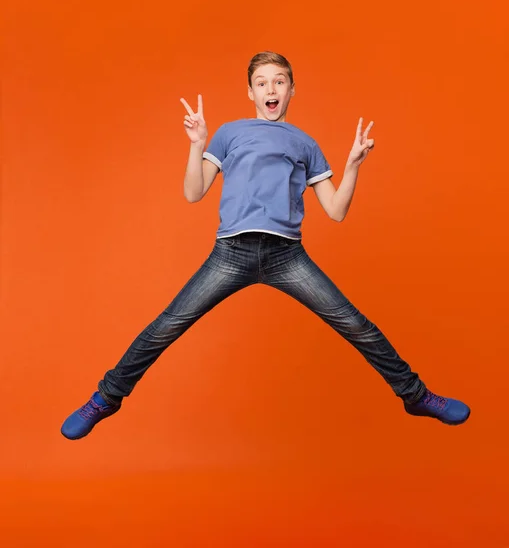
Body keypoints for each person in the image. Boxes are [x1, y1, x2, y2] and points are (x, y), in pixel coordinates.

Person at [61, 51, 470, 440]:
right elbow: (193, 192)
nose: (270, 88)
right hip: (230, 254)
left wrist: (352, 166)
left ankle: (416, 396)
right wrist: (196, 144)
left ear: (291, 89)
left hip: (286, 256)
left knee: (356, 325)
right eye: (261, 82)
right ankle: (106, 398)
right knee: (166, 326)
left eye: (279, 81)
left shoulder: (304, 143)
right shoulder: (230, 133)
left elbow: (336, 211)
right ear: (250, 93)